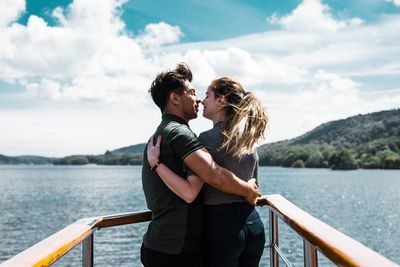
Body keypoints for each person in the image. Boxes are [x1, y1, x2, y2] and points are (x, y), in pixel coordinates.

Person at [141, 63, 260, 267]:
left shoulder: (168, 132)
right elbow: (214, 176)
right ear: (175, 98)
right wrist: (248, 190)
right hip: (176, 250)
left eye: (204, 94)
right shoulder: (181, 134)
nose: (198, 99)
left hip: (167, 245)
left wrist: (156, 164)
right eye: (193, 92)